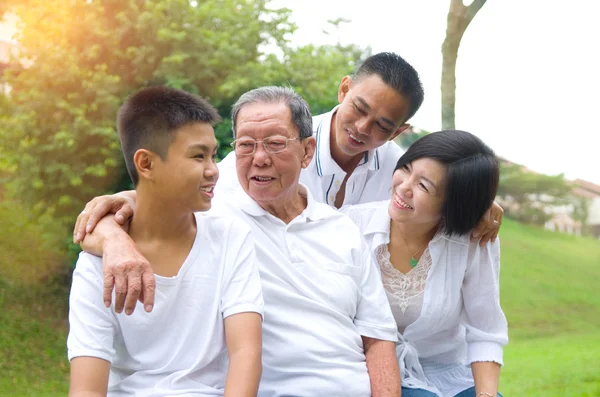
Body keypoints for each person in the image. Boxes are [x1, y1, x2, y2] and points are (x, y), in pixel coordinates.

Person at [75, 86, 401, 397]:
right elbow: (149, 198)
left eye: (274, 143)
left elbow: (378, 337)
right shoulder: (216, 217)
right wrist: (114, 238)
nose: (259, 158)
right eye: (245, 145)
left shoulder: (343, 230)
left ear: (307, 151)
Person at [74, 53, 504, 257]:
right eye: (359, 108)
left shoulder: (400, 171)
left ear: (402, 131)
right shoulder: (279, 142)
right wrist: (126, 208)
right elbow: (202, 187)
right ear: (343, 90)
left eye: (383, 126)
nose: (362, 129)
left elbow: (445, 184)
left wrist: (483, 202)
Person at [67, 86, 264, 397]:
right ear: (146, 164)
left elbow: (246, 354)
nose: (214, 171)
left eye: (214, 155)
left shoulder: (230, 237)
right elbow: (87, 389)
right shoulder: (96, 263)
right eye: (199, 156)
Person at [341, 130, 509, 397]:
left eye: (423, 186)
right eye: (406, 169)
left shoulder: (474, 240)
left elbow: (485, 331)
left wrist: (486, 395)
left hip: (447, 374)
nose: (404, 187)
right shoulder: (350, 225)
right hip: (366, 372)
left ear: (453, 205)